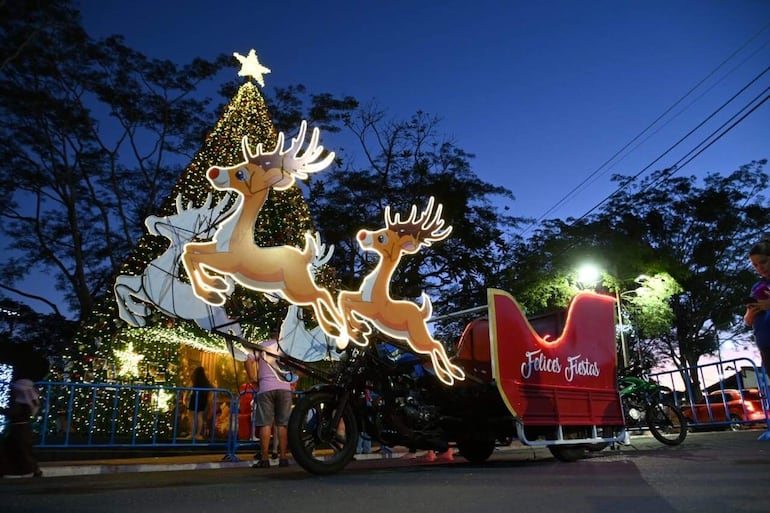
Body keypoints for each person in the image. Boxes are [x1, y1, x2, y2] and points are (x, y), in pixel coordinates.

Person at [247, 326, 293, 468]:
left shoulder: (262, 346)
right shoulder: (287, 348)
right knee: (282, 424)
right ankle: (283, 458)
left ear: (270, 334)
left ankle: (265, 458)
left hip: (266, 388)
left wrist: (253, 379)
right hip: (285, 388)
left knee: (265, 424)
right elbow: (297, 366)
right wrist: (292, 381)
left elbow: (248, 361)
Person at [744, 237, 770, 378]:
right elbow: (747, 321)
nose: (760, 268)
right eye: (755, 265)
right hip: (765, 346)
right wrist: (750, 314)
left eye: (764, 262)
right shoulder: (757, 287)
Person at [185, 366, 213, 440]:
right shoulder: (206, 382)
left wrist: (185, 398)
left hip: (194, 398)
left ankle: (192, 433)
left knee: (191, 416)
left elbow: (188, 389)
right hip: (203, 399)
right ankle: (198, 434)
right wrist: (209, 402)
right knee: (199, 416)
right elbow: (211, 392)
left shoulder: (195, 380)